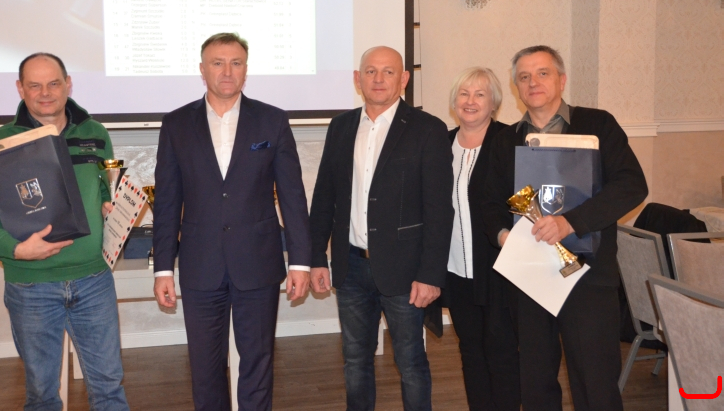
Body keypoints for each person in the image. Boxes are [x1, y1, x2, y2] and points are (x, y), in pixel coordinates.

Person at [0, 53, 129, 411]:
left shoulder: (95, 134)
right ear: (20, 88)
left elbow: (104, 188)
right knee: (42, 395)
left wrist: (107, 204)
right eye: (34, 85)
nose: (45, 93)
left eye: (53, 83)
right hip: (30, 286)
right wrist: (15, 249)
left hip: (93, 280)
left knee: (110, 390)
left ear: (68, 84)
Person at [482, 45, 648, 411]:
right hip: (530, 277)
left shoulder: (598, 125)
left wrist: (569, 222)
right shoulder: (505, 140)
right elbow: (491, 203)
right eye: (524, 77)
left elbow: (632, 185)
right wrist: (506, 236)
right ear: (516, 87)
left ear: (562, 79)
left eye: (542, 73)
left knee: (595, 382)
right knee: (535, 381)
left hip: (589, 276)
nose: (533, 82)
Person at [152, 32, 311, 411]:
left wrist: (301, 262)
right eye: (218, 63)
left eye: (236, 63)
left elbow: (292, 195)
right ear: (202, 69)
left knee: (258, 363)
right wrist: (163, 269)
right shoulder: (176, 124)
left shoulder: (272, 120)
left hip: (258, 264)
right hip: (200, 265)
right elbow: (168, 202)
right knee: (205, 368)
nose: (227, 71)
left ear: (245, 70)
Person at [309, 46, 454, 411]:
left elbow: (440, 211)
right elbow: (325, 197)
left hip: (406, 272)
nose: (378, 79)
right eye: (370, 71)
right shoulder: (341, 127)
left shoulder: (428, 129)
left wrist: (430, 275)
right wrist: (316, 258)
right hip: (351, 268)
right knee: (355, 361)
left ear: (403, 79)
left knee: (411, 363)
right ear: (357, 79)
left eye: (388, 72)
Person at [442, 67, 520, 411]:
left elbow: (523, 199)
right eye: (464, 93)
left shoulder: (510, 141)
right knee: (470, 350)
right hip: (455, 270)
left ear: (494, 103)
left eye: (479, 94)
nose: (470, 101)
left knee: (501, 352)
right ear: (454, 101)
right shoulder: (441, 144)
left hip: (497, 268)